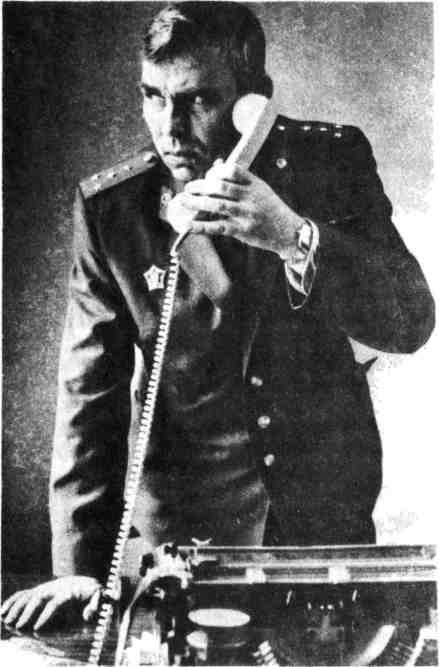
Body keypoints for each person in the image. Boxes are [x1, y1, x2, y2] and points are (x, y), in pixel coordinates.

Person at [2, 1, 434, 633]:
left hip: (321, 528)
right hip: (188, 537)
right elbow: (88, 399)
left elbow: (410, 321)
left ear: (249, 101)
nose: (169, 129)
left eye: (197, 100)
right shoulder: (114, 211)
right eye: (153, 97)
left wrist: (293, 237)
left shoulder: (328, 165)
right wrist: (81, 568)